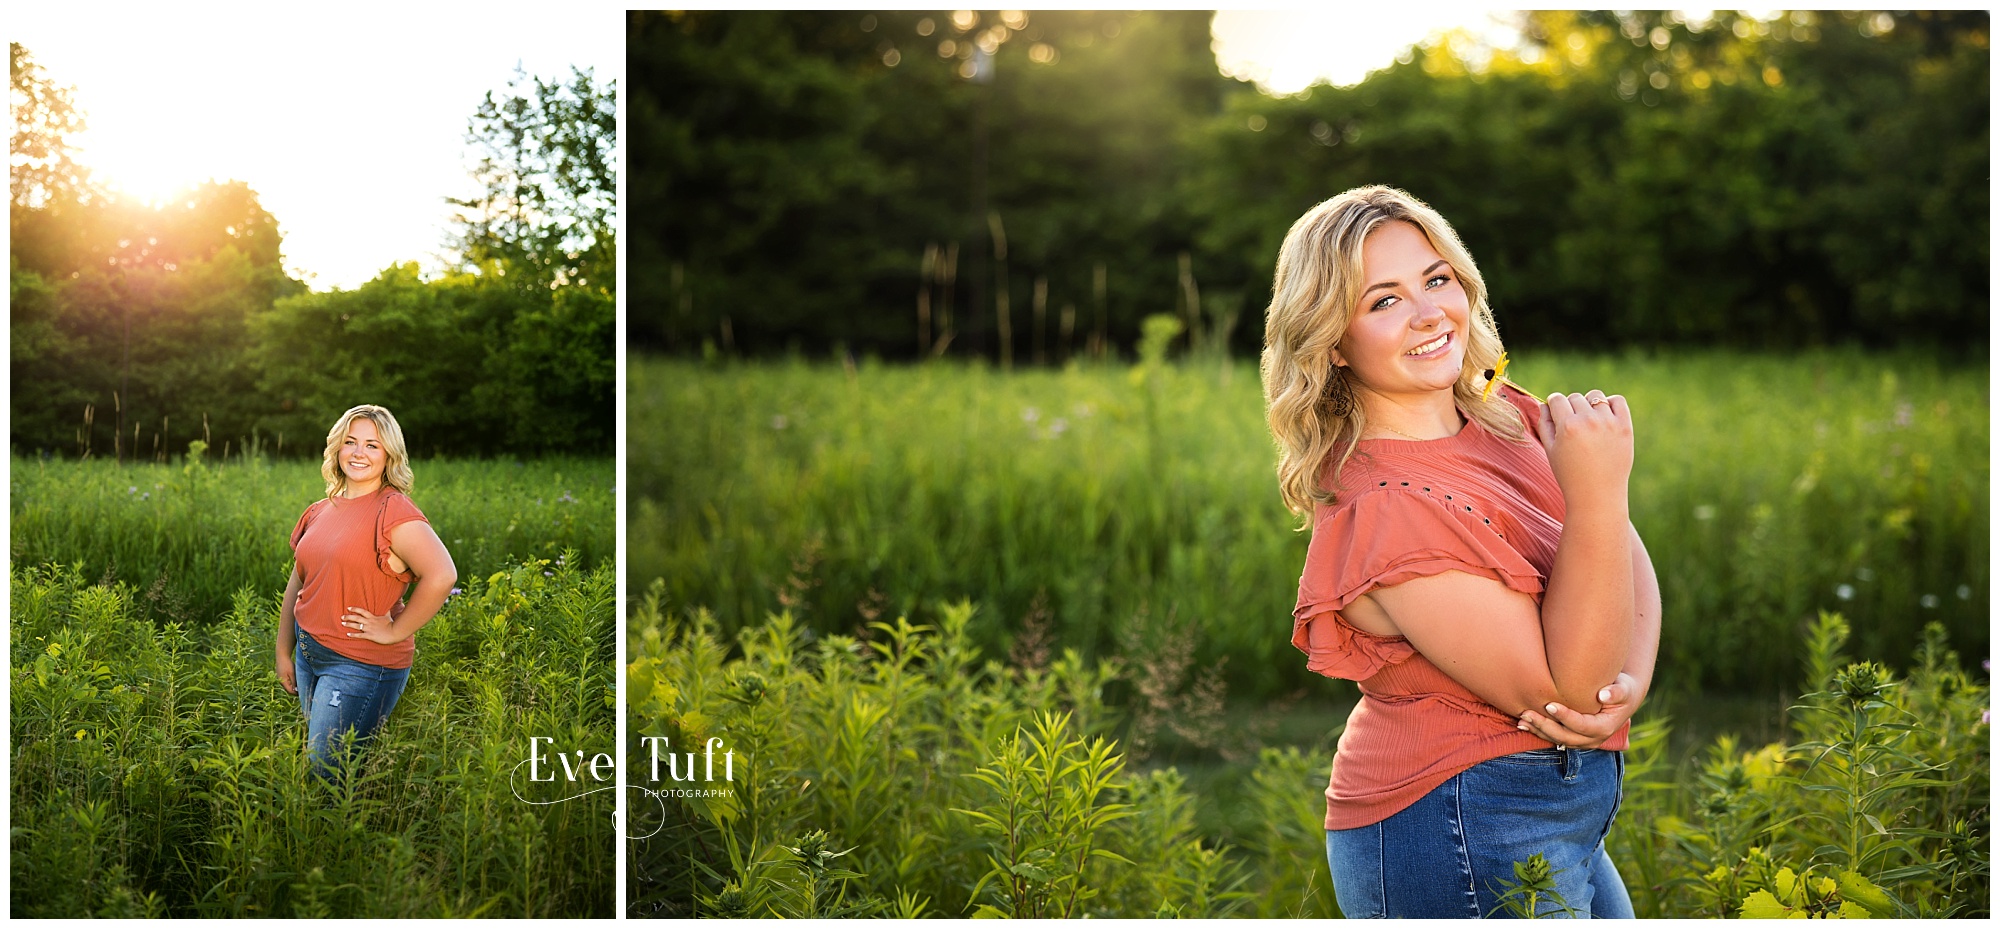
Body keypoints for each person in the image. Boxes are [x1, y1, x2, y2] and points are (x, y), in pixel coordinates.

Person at [1261, 187, 1661, 918]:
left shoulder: (1506, 416)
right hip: (1459, 821)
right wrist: (1600, 491)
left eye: (1436, 278)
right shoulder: (1389, 506)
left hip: (1563, 812)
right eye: (1384, 300)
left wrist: (1629, 679)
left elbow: (1621, 555)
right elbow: (1570, 693)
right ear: (1332, 342)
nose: (1429, 313)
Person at [275, 404, 457, 782]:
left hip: (359, 665)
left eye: (372, 445)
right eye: (350, 442)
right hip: (310, 655)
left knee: (325, 776)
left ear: (389, 454)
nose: (359, 453)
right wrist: (283, 651)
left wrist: (393, 631)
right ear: (337, 448)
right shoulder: (320, 510)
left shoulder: (394, 511)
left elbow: (442, 575)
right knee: (325, 768)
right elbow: (298, 583)